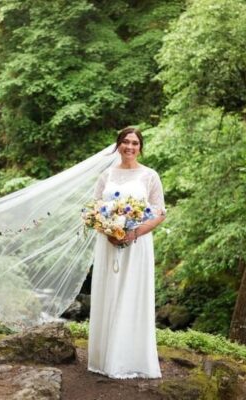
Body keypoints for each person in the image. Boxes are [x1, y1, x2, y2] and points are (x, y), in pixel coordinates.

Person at [87, 126, 166, 379]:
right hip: (108, 243)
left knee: (133, 294)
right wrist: (108, 230)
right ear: (118, 145)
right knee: (109, 293)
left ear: (140, 147)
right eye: (125, 142)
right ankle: (104, 357)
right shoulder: (106, 176)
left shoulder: (150, 176)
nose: (130, 147)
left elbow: (160, 212)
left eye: (134, 142)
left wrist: (134, 232)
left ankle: (131, 359)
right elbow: (95, 209)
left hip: (137, 243)